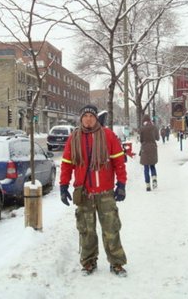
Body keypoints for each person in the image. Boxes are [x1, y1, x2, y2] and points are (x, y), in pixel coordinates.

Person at [59, 105, 128, 276]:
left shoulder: (107, 135)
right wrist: (63, 185)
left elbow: (118, 161)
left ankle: (116, 262)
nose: (88, 119)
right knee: (86, 230)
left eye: (91, 115)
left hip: (105, 192)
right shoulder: (73, 138)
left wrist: (121, 184)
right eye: (85, 116)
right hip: (84, 192)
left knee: (111, 228)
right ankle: (89, 262)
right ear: (81, 119)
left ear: (96, 118)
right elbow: (67, 164)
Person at [139, 114, 159, 191]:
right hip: (153, 148)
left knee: (146, 168)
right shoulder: (154, 127)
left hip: (145, 149)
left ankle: (148, 185)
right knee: (152, 166)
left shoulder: (142, 129)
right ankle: (154, 178)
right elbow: (157, 138)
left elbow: (141, 140)